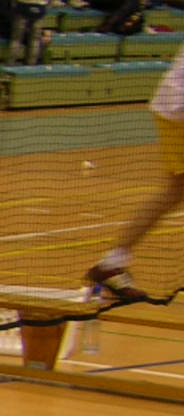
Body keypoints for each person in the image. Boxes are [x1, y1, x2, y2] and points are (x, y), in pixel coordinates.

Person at [82, 44, 184, 303]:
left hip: (173, 106)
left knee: (175, 191)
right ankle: (112, 263)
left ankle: (111, 264)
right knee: (175, 190)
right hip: (179, 108)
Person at [3, 0, 59, 65]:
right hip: (39, 9)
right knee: (35, 39)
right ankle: (31, 63)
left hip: (23, 8)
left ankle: (10, 63)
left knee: (16, 39)